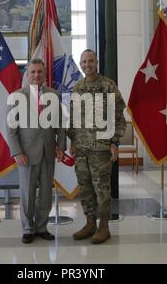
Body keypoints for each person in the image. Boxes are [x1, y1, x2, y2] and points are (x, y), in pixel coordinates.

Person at [68, 49, 126, 244]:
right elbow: (73, 120)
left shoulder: (108, 86)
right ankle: (90, 223)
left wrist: (115, 142)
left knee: (102, 189)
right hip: (82, 148)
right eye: (83, 62)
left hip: (101, 148)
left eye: (90, 61)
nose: (87, 65)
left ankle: (104, 227)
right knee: (85, 187)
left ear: (97, 62)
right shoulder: (77, 89)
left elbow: (119, 117)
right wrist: (73, 142)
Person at [7, 59, 66, 244]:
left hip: (48, 152)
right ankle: (27, 229)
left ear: (45, 73)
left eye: (40, 72)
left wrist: (61, 147)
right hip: (26, 154)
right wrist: (17, 152)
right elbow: (11, 129)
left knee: (46, 194)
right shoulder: (16, 96)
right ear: (27, 73)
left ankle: (42, 227)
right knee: (27, 194)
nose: (36, 75)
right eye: (33, 72)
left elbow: (60, 125)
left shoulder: (54, 95)